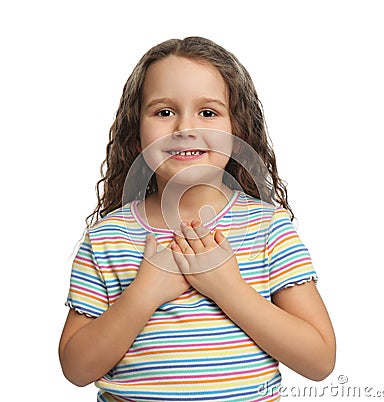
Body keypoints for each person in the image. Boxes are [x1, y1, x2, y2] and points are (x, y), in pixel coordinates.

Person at [59, 36, 336, 401]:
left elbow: (319, 360)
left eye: (208, 112)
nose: (184, 128)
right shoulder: (109, 238)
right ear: (137, 133)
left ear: (237, 129)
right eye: (163, 112)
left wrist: (227, 288)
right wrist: (145, 293)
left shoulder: (267, 231)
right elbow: (77, 369)